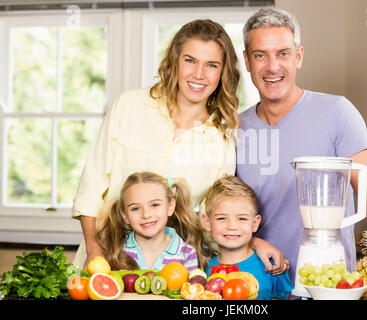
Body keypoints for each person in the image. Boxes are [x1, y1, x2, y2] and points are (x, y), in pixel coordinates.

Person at [235, 7, 367, 300]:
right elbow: (224, 213)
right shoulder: (235, 128)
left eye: (283, 53)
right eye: (260, 55)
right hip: (255, 289)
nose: (272, 66)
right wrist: (254, 242)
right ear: (246, 60)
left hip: (331, 290)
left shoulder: (337, 113)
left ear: (299, 56)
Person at [71, 19, 240, 269]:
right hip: (104, 258)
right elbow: (91, 185)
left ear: (222, 73)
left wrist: (252, 244)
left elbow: (215, 218)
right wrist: (94, 249)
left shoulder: (223, 140)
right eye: (190, 60)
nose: (199, 74)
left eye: (211, 65)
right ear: (174, 60)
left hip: (173, 271)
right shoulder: (129, 105)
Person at [201, 175, 294, 300]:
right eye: (222, 218)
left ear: (255, 223)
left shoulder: (271, 265)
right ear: (207, 223)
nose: (232, 226)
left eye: (242, 218)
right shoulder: (205, 270)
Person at [96, 171, 206, 271]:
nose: (146, 215)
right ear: (125, 215)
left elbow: (190, 290)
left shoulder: (186, 253)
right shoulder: (116, 250)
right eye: (135, 208)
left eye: (154, 205)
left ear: (170, 206)